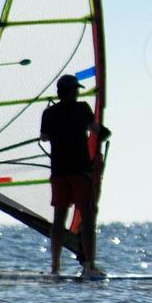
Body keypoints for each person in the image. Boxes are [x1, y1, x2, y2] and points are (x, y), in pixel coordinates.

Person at [39, 75, 111, 279]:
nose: (78, 92)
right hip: (80, 171)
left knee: (59, 218)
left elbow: (44, 137)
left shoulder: (49, 112)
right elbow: (97, 131)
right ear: (70, 92)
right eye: (75, 90)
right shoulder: (82, 108)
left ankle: (55, 267)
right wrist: (105, 133)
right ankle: (89, 266)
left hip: (59, 172)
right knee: (87, 218)